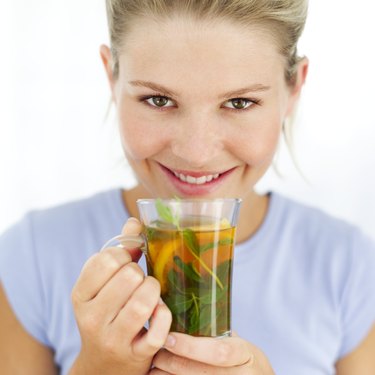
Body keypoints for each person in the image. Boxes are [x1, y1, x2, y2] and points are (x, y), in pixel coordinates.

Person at [1, 0, 375, 374]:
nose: (196, 154)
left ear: (294, 88)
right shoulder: (30, 256)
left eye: (240, 102)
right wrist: (100, 367)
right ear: (111, 77)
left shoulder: (351, 267)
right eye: (158, 99)